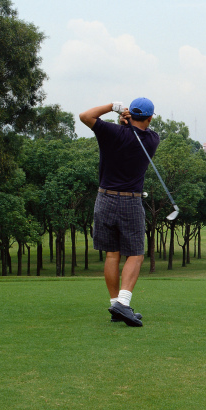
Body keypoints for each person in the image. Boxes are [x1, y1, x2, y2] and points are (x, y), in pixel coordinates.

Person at [78, 98, 160, 327]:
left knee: (112, 254)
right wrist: (126, 122)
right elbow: (135, 135)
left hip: (103, 199)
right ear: (150, 118)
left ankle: (116, 305)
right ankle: (122, 303)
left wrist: (113, 108)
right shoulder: (152, 140)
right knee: (135, 254)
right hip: (130, 202)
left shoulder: (111, 132)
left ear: (129, 113)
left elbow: (86, 116)